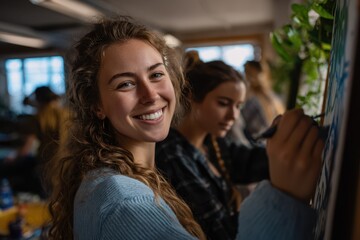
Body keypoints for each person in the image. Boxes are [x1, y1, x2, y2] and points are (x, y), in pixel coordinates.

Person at [45, 16, 324, 240]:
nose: (150, 94)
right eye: (125, 83)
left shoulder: (129, 178)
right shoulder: (125, 204)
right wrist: (283, 200)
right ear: (97, 105)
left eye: (156, 74)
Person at [155, 60, 269, 240]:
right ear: (193, 97)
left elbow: (252, 162)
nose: (234, 116)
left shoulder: (213, 143)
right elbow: (219, 231)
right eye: (223, 103)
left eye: (238, 106)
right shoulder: (172, 154)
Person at [1, 86, 67, 197]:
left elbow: (26, 149)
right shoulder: (66, 114)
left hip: (47, 165)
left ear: (37, 99)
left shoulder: (39, 118)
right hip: (65, 162)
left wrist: (13, 157)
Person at [241, 60, 285, 138]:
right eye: (246, 72)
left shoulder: (256, 99)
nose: (246, 77)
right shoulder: (273, 97)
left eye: (248, 72)